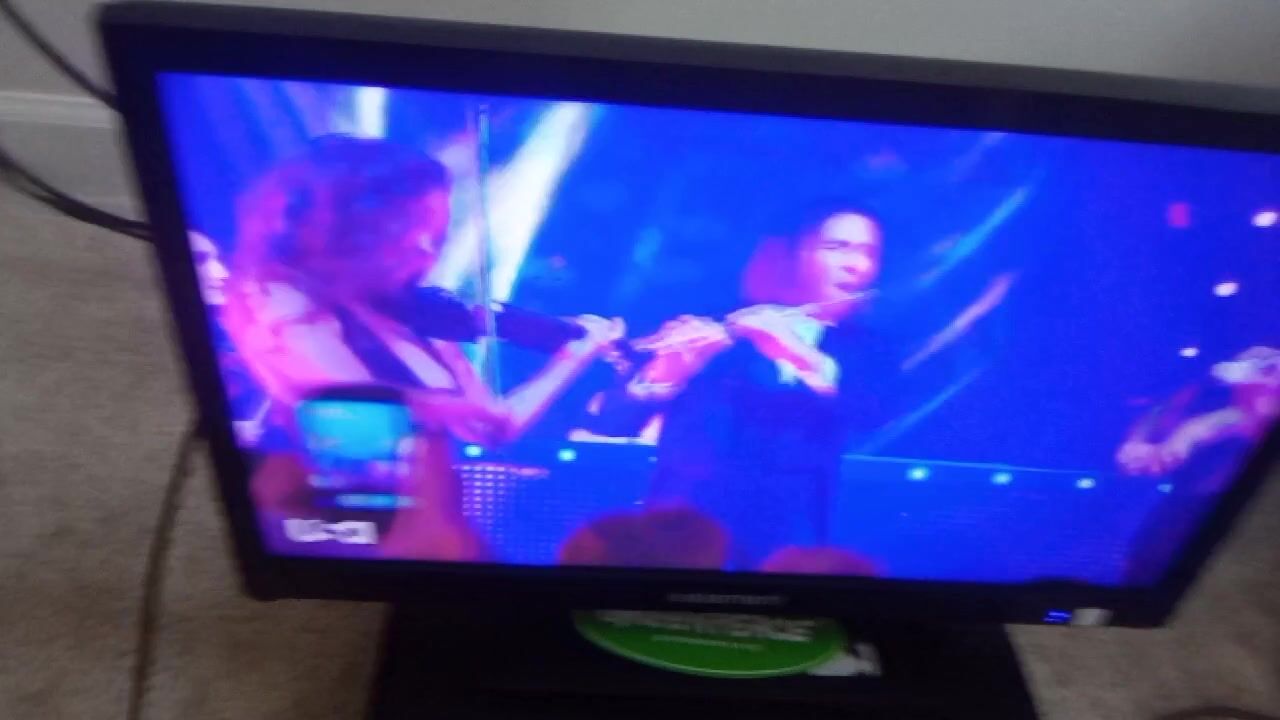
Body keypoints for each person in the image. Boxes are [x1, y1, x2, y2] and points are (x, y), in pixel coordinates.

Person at [222, 135, 624, 561]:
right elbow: (349, 400)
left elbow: (492, 427)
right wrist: (451, 408)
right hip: (348, 541)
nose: (426, 249)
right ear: (351, 221)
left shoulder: (412, 313)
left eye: (437, 233)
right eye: (410, 226)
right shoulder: (279, 295)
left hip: (442, 539)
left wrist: (574, 356)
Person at [586, 201, 898, 570]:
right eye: (837, 247)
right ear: (792, 253)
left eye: (868, 253)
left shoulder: (870, 349)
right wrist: (664, 373)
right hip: (679, 535)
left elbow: (869, 415)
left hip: (789, 544)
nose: (857, 265)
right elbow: (612, 422)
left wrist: (798, 354)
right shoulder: (710, 320)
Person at [1116, 345, 1280, 582]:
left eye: (1270, 368)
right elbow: (1173, 423)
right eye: (1264, 368)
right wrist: (1140, 447)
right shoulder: (1221, 410)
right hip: (1194, 507)